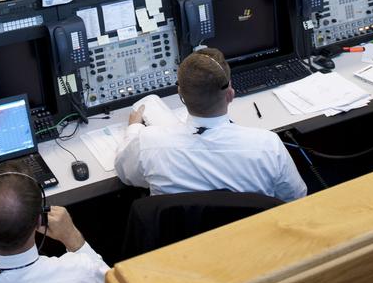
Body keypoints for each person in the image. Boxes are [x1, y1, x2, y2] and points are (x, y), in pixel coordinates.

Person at [116, 48, 307, 200]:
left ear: (180, 94)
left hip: (184, 245)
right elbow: (295, 197)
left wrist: (134, 129)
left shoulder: (148, 143)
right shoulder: (268, 146)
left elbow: (126, 175)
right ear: (230, 95)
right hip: (250, 241)